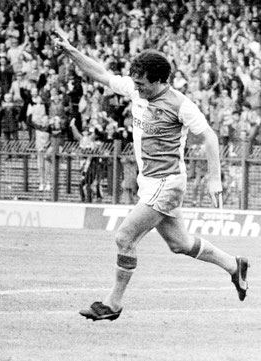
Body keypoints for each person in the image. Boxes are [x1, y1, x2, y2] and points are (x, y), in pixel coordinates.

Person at [53, 28, 249, 321]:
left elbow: (210, 137)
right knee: (179, 244)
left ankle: (113, 304)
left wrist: (214, 178)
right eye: (135, 82)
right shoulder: (136, 90)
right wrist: (71, 50)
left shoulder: (180, 104)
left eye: (142, 83)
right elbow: (101, 74)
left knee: (124, 237)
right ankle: (234, 265)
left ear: (159, 80)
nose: (137, 87)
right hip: (151, 183)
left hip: (167, 183)